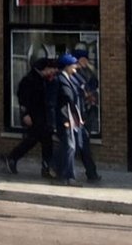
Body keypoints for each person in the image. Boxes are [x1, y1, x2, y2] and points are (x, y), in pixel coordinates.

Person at [0, 57, 56, 177]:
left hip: (43, 116)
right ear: (43, 69)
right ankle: (12, 158)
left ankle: (46, 166)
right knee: (31, 140)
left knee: (45, 141)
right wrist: (25, 114)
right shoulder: (29, 80)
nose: (51, 72)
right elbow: (22, 99)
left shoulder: (43, 80)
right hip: (34, 116)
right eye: (49, 69)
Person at [51, 52, 84, 185]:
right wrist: (59, 121)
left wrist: (78, 117)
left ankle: (56, 169)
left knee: (68, 146)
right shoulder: (58, 80)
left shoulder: (69, 79)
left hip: (71, 118)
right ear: (66, 66)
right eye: (73, 64)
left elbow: (73, 101)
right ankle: (68, 177)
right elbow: (52, 102)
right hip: (63, 119)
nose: (75, 67)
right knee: (70, 146)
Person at [71, 47, 101, 183]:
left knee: (80, 144)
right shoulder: (75, 75)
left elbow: (94, 83)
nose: (86, 61)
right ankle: (91, 173)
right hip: (78, 114)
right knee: (79, 144)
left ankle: (91, 172)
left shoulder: (88, 72)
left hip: (86, 113)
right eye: (83, 59)